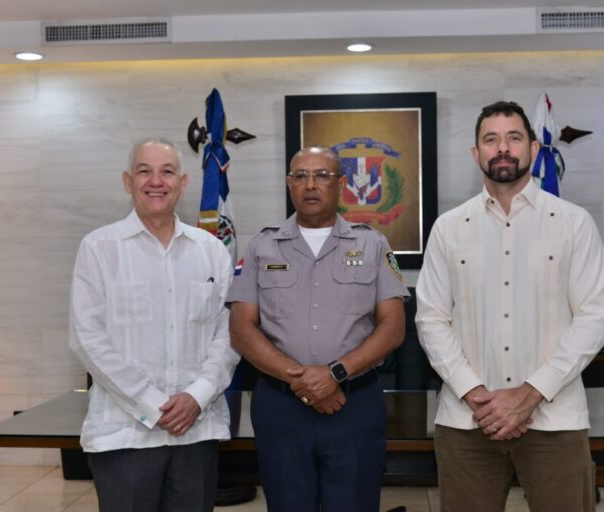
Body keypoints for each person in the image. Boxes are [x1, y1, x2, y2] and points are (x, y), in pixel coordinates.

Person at [415, 101, 604, 512]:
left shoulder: (574, 223)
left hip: (555, 421)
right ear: (476, 153)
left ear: (534, 149)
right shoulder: (448, 228)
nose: (502, 148)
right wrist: (475, 394)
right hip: (467, 422)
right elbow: (431, 319)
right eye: (491, 139)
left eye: (514, 138)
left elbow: (593, 319)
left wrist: (528, 395)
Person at [227, 146, 409, 512]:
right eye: (301, 176)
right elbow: (241, 330)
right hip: (281, 407)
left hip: (353, 404)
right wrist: (302, 381)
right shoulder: (262, 246)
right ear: (289, 184)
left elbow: (393, 328)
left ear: (341, 184)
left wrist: (335, 374)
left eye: (322, 175)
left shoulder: (372, 243)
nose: (310, 184)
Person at [68, 137, 238, 512]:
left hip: (196, 431)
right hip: (124, 435)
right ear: (128, 181)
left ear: (183, 182)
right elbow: (86, 338)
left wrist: (197, 396)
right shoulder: (99, 248)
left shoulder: (211, 250)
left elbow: (229, 333)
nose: (156, 181)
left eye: (167, 171)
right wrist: (152, 403)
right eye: (144, 171)